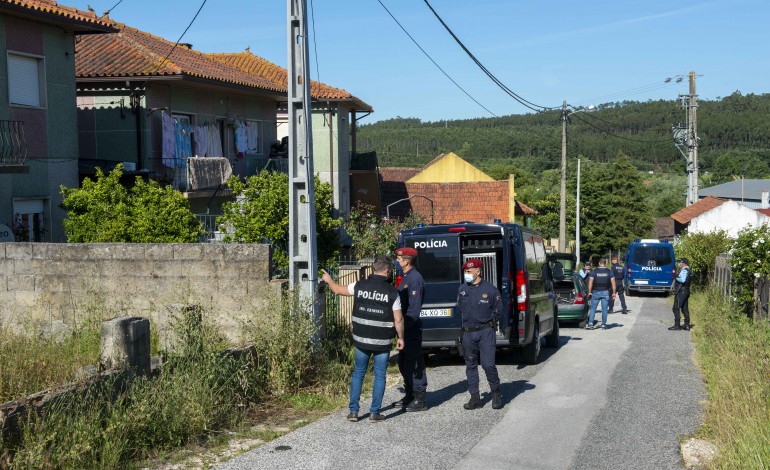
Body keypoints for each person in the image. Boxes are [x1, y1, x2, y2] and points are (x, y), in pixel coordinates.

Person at [321, 257, 405, 422]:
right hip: (382, 342)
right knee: (380, 375)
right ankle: (374, 413)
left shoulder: (359, 285)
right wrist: (401, 337)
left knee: (359, 373)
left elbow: (338, 290)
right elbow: (399, 320)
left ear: (374, 269)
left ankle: (354, 412)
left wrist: (329, 280)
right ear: (387, 271)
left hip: (361, 339)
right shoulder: (393, 292)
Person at [457, 258, 504, 410]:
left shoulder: (490, 290)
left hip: (485, 332)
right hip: (468, 334)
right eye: (465, 271)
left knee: (488, 364)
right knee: (470, 365)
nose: (467, 274)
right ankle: (475, 398)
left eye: (469, 271)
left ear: (478, 271)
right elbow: (460, 308)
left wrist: (490, 324)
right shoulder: (462, 289)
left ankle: (496, 393)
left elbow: (499, 311)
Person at [393, 247, 428, 412]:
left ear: (406, 261)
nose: (398, 261)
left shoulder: (415, 278)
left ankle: (420, 399)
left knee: (414, 364)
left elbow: (414, 309)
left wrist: (404, 327)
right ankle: (410, 394)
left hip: (411, 328)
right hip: (404, 329)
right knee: (403, 363)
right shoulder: (406, 277)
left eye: (399, 258)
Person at [586, 258, 617, 330]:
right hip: (605, 292)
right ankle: (603, 325)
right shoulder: (609, 272)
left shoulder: (594, 271)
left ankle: (590, 323)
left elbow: (590, 283)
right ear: (605, 263)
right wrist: (614, 293)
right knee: (605, 309)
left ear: (599, 263)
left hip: (596, 291)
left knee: (593, 308)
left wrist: (589, 292)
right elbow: (613, 283)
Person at [669, 257, 692, 331]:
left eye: (680, 262)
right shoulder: (690, 270)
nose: (679, 264)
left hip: (681, 292)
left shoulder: (684, 270)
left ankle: (677, 326)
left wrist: (676, 277)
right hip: (686, 291)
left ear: (683, 263)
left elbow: (682, 280)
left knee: (676, 308)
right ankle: (687, 325)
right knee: (685, 308)